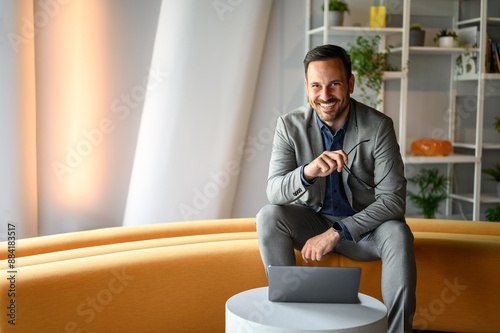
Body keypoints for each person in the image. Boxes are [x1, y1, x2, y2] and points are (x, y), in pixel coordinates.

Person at [256, 44, 416, 333]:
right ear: (307, 87)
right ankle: (290, 322)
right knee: (268, 216)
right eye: (316, 85)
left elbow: (393, 201)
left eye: (335, 84)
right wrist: (308, 172)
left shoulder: (379, 127)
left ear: (351, 83)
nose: (325, 96)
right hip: (311, 223)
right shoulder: (288, 126)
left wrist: (336, 232)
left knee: (398, 232)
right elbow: (274, 192)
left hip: (366, 232)